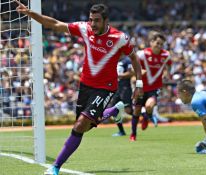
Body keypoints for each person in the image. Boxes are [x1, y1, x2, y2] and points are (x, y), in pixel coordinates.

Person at [15, 2, 144, 175]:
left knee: (80, 125)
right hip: (86, 86)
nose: (93, 24)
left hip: (106, 88)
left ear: (107, 21)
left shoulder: (120, 38)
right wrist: (31, 13)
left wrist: (139, 84)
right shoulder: (85, 29)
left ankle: (55, 167)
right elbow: (54, 24)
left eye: (97, 20)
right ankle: (114, 111)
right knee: (86, 126)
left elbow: (134, 59)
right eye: (91, 20)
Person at [130, 31, 172, 141]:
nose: (159, 46)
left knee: (149, 106)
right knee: (137, 111)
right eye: (157, 43)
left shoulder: (166, 55)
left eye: (161, 44)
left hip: (155, 87)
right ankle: (133, 134)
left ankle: (146, 118)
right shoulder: (142, 54)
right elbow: (133, 67)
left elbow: (169, 67)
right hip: (141, 87)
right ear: (151, 42)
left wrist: (167, 74)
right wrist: (139, 71)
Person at [110, 56, 134, 136]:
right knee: (113, 110)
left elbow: (131, 73)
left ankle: (144, 116)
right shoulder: (113, 59)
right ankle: (121, 131)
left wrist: (120, 76)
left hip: (125, 88)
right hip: (116, 89)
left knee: (128, 110)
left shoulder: (127, 60)